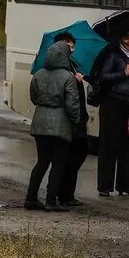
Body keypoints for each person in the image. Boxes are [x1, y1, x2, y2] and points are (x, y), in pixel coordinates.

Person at [25, 40, 81, 211]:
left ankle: (31, 198)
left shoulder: (38, 74)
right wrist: (75, 120)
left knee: (41, 162)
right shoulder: (68, 78)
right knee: (58, 163)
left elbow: (34, 98)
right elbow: (72, 105)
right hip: (60, 124)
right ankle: (51, 200)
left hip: (40, 122)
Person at [95, 28, 129, 197]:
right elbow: (103, 77)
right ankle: (104, 185)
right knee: (109, 145)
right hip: (112, 103)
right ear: (121, 39)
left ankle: (124, 184)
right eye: (126, 37)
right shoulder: (113, 55)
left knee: (128, 146)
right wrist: (123, 73)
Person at [55, 32, 89, 207]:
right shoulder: (59, 68)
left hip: (79, 119)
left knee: (80, 153)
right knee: (69, 158)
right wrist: (74, 81)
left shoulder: (72, 65)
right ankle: (63, 195)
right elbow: (61, 92)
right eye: (68, 45)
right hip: (70, 120)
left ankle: (68, 194)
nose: (71, 49)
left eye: (73, 46)